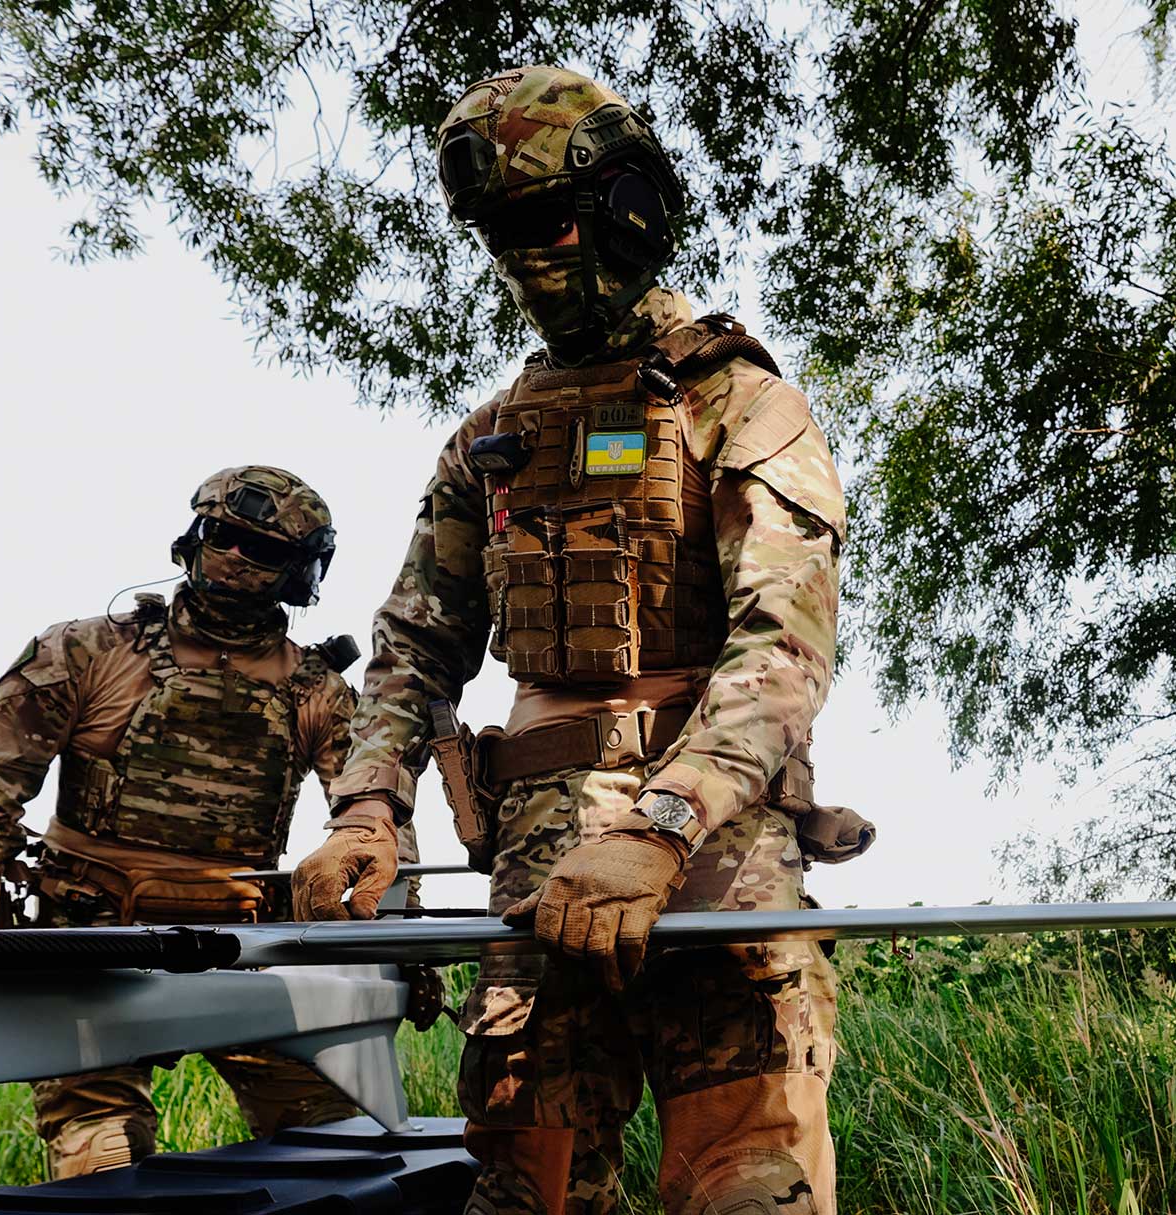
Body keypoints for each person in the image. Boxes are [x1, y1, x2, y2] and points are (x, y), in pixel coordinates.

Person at [292, 65, 858, 1215]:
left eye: (546, 222)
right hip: (537, 876)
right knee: (524, 1191)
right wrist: (366, 806)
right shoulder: (490, 438)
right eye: (500, 236)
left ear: (625, 207)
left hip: (717, 867)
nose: (527, 260)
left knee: (746, 1186)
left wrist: (663, 825)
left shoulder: (737, 403)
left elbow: (781, 651)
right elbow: (413, 646)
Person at [0, 465, 409, 1177]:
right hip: (90, 951)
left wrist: (401, 944)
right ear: (193, 537)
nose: (238, 559)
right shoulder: (89, 652)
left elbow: (372, 823)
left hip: (247, 954)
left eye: (264, 549)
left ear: (298, 571)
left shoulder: (317, 691)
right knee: (106, 1166)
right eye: (225, 536)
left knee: (337, 1153)